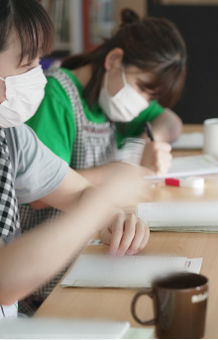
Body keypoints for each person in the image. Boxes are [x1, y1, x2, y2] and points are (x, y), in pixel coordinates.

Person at [0, 0, 150, 317]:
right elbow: (5, 282)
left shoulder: (11, 135)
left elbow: (78, 192)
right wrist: (103, 200)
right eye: (27, 65)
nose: (38, 75)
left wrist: (114, 218)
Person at [20, 9, 187, 232]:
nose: (143, 104)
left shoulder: (111, 97)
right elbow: (39, 193)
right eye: (142, 89)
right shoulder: (56, 97)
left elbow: (171, 122)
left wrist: (150, 142)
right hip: (46, 242)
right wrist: (116, 172)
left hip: (90, 232)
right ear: (114, 60)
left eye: (152, 98)